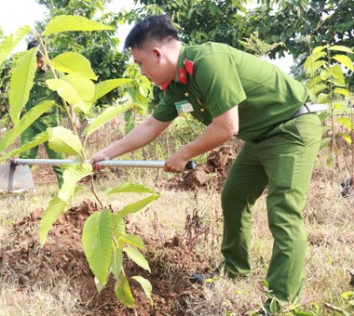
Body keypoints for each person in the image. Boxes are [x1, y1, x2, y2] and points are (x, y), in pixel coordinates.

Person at [90, 15, 324, 313]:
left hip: (291, 128)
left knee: (283, 211)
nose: (141, 71)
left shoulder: (210, 62)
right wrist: (107, 153)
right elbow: (150, 127)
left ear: (157, 54)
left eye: (139, 63)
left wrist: (184, 153)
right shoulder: (177, 86)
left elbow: (227, 127)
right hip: (260, 137)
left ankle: (281, 299)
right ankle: (235, 268)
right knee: (234, 196)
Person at [19, 40, 78, 188]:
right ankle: (18, 192)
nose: (37, 65)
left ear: (45, 57)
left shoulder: (55, 73)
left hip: (49, 121)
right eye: (33, 61)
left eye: (39, 61)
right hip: (29, 123)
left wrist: (74, 117)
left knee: (58, 159)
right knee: (25, 158)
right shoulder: (25, 74)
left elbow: (70, 96)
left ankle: (65, 189)